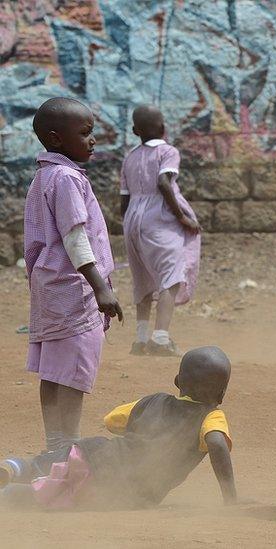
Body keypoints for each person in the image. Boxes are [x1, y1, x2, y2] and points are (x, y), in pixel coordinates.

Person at [0, 347, 236, 510]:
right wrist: (230, 498)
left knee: (45, 463)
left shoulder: (152, 401)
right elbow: (216, 442)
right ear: (222, 394)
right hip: (123, 491)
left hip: (93, 452)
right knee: (52, 494)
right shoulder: (211, 417)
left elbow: (112, 420)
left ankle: (13, 468)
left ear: (177, 381)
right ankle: (7, 496)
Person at [23, 97, 123, 454]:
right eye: (85, 133)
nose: (92, 140)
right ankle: (66, 447)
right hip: (74, 291)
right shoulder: (65, 178)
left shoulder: (44, 176)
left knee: (53, 371)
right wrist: (101, 289)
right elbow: (75, 237)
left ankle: (55, 444)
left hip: (50, 287)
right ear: (56, 139)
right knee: (74, 370)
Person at [120, 105, 201, 357]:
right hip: (160, 219)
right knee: (171, 276)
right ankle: (161, 338)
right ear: (164, 128)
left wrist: (130, 224)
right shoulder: (168, 151)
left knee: (142, 278)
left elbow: (123, 199)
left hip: (132, 220)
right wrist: (182, 217)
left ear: (135, 131)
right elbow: (164, 183)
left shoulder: (129, 157)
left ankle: (141, 339)